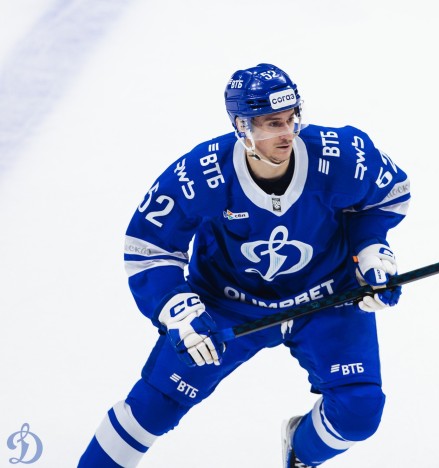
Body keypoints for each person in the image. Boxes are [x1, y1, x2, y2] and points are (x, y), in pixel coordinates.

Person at [78, 63, 411, 467]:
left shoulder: (339, 154)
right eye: (272, 123)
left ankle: (301, 452)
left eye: (291, 118)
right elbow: (149, 246)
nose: (287, 133)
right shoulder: (201, 173)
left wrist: (370, 250)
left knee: (359, 410)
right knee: (154, 406)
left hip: (326, 297)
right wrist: (178, 310)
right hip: (227, 306)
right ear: (241, 126)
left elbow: (388, 194)